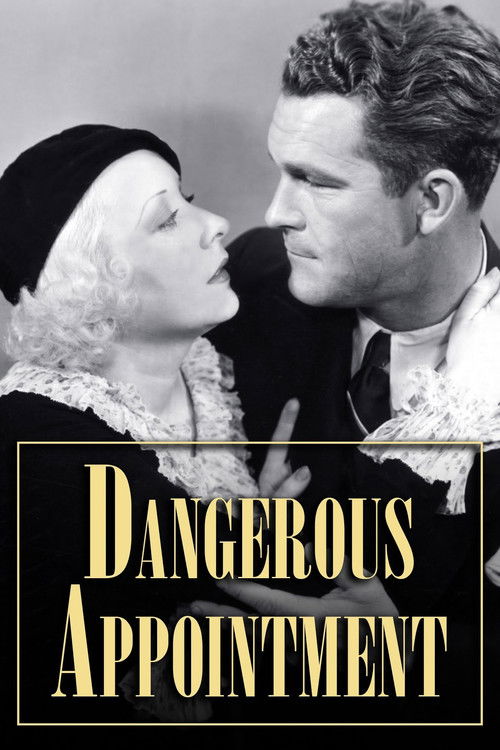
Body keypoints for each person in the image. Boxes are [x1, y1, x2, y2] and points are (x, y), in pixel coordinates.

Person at [203, 0, 500, 723]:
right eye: (281, 172)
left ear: (432, 200)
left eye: (318, 181)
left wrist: (404, 651)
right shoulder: (248, 281)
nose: (276, 212)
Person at [0, 124, 313, 724]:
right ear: (92, 282)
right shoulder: (42, 447)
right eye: (166, 220)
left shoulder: (213, 373)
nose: (215, 223)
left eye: (187, 201)